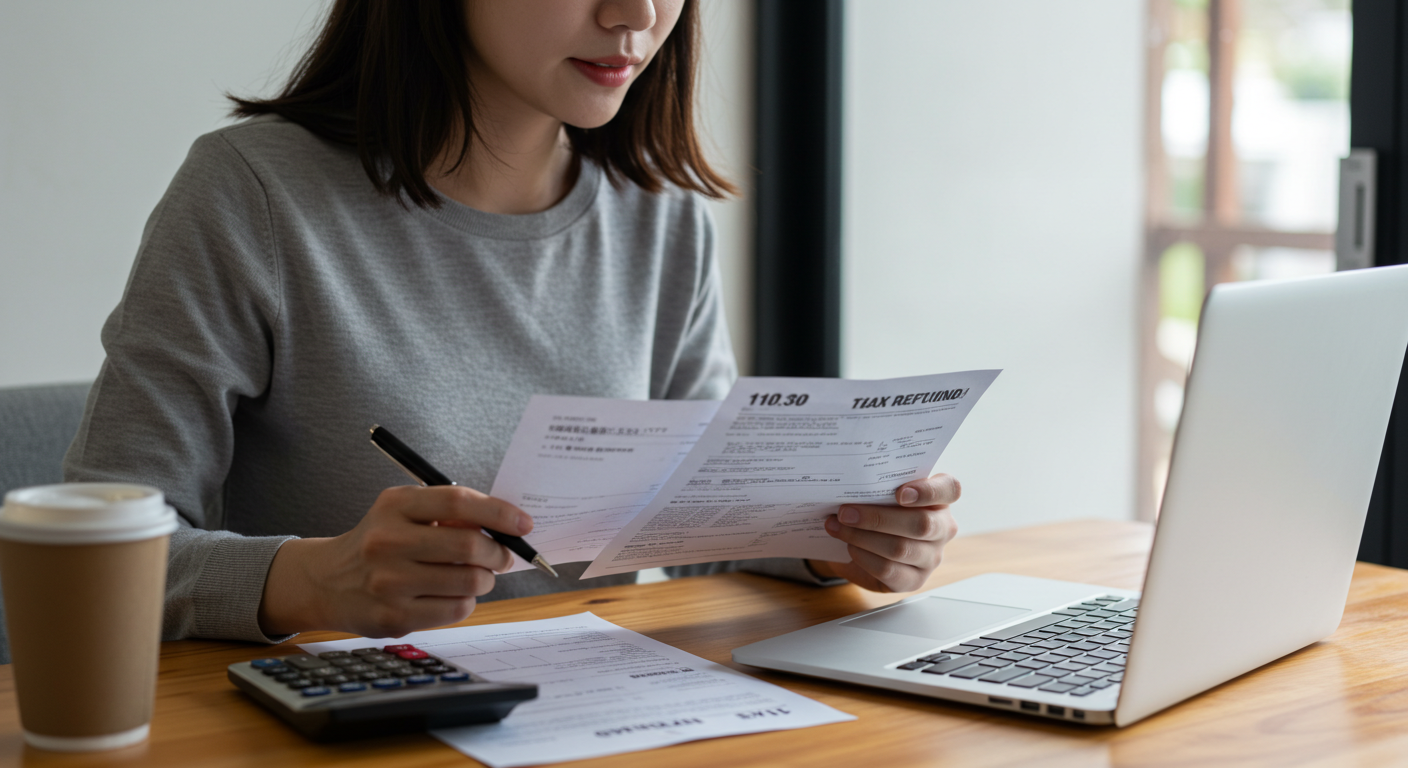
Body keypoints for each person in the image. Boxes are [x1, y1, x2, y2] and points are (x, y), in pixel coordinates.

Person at [64, 0, 960, 644]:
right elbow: (90, 566)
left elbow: (691, 526)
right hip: (347, 730)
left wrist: (834, 543)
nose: (639, 15)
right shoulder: (253, 195)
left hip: (600, 718)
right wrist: (311, 580)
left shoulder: (660, 217)